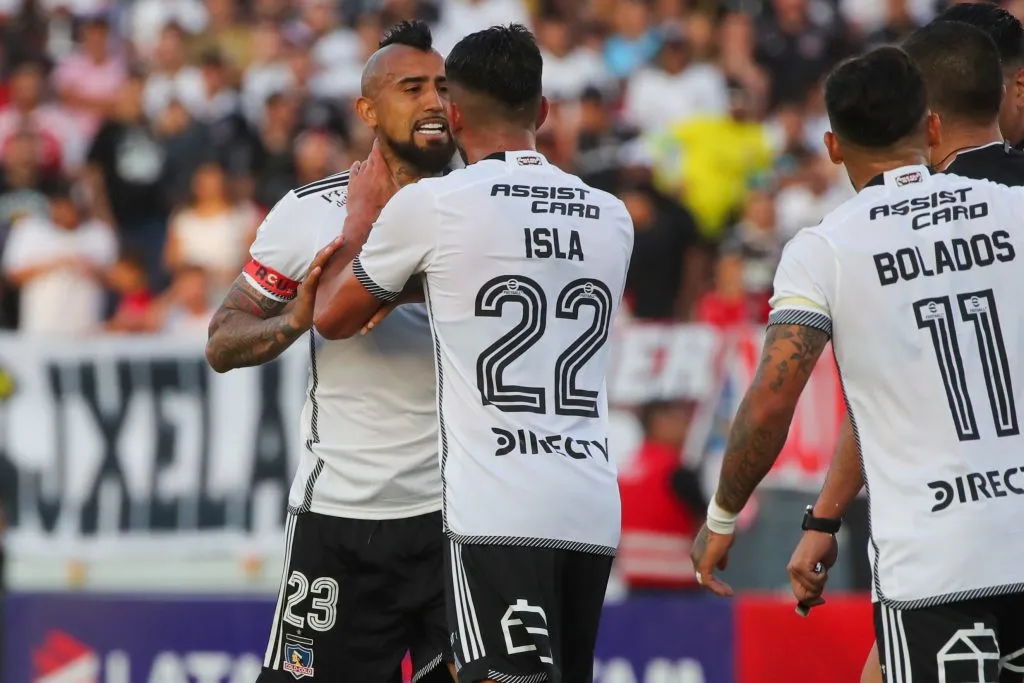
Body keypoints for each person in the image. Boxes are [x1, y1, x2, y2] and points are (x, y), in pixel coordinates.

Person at [691, 46, 1024, 683]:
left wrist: (722, 517)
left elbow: (771, 399)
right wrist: (824, 516)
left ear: (834, 146)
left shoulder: (825, 249)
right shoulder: (1013, 210)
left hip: (937, 564)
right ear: (931, 126)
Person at [313, 24, 634, 683]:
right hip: (590, 501)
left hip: (497, 506)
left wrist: (361, 220)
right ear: (543, 111)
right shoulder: (611, 214)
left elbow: (333, 317)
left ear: (453, 113)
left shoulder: (435, 205)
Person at [204, 21, 457, 683]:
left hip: (461, 515)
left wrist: (383, 287)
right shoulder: (309, 212)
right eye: (412, 88)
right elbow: (223, 341)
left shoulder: (481, 211)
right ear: (368, 110)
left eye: (442, 87)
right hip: (342, 518)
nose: (433, 101)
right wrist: (297, 317)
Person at [786, 22, 1024, 683]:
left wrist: (823, 516)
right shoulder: (1007, 209)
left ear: (930, 122)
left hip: (948, 549)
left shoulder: (893, 229)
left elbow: (895, 383)